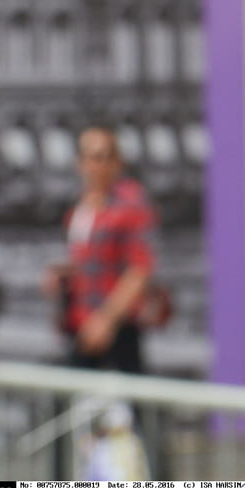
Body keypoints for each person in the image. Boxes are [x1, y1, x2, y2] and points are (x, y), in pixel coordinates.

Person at [44, 126, 158, 374]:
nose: (98, 166)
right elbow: (84, 259)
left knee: (130, 389)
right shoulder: (78, 208)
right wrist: (61, 276)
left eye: (105, 157)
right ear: (80, 163)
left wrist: (107, 319)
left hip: (117, 323)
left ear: (117, 163)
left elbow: (139, 269)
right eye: (92, 157)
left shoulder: (130, 204)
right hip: (80, 321)